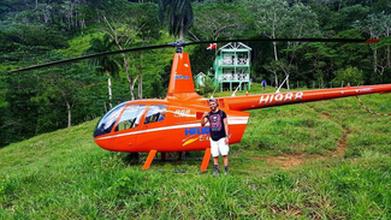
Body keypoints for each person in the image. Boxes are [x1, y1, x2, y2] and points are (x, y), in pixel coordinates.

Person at [201, 98, 230, 175]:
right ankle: (216, 170)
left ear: (216, 104)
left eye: (213, 104)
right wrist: (203, 117)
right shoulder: (209, 114)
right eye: (210, 105)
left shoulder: (222, 113)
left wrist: (227, 136)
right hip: (213, 137)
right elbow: (202, 124)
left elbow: (226, 125)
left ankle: (226, 170)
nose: (212, 106)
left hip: (222, 137)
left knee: (224, 154)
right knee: (215, 154)